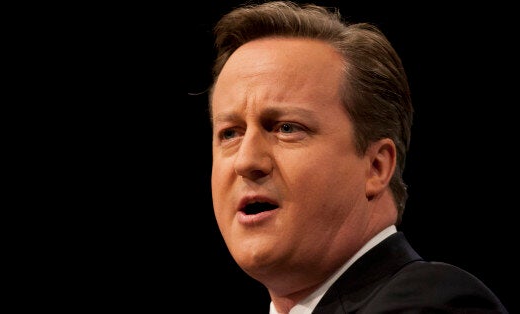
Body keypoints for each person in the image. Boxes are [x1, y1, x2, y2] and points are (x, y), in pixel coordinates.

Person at [207, 1, 508, 313]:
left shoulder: (431, 304)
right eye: (230, 133)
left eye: (286, 128)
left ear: (376, 167)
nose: (246, 161)